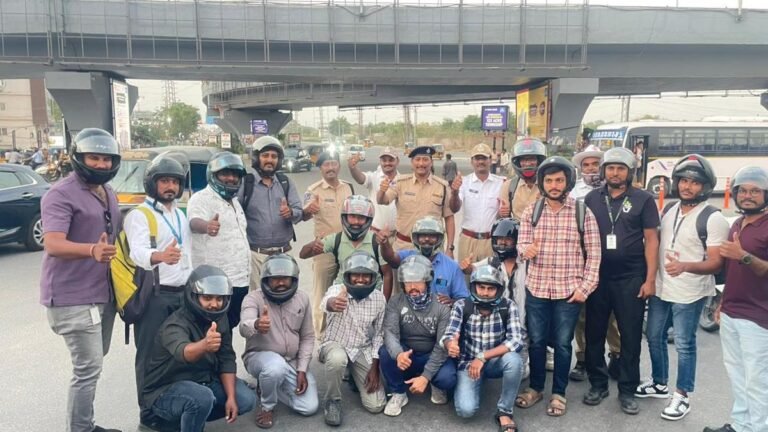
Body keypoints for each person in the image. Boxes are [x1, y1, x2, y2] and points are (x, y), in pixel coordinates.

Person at [40, 128, 122, 432]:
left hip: (101, 293)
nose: (101, 164)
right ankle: (81, 429)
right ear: (79, 158)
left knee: (95, 362)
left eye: (106, 159)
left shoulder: (106, 191)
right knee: (88, 369)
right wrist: (91, 250)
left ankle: (84, 425)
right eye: (94, 158)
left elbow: (119, 224)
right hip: (72, 297)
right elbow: (53, 243)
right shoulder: (60, 194)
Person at [637, 154, 729, 421]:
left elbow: (715, 263)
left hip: (690, 291)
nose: (688, 187)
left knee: (685, 344)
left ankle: (682, 396)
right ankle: (659, 383)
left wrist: (685, 266)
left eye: (695, 183)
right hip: (663, 288)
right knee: (653, 336)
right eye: (684, 181)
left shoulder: (713, 218)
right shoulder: (669, 210)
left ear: (706, 186)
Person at [514, 156, 601, 417]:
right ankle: (537, 387)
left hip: (568, 291)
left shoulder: (582, 212)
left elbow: (594, 255)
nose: (554, 185)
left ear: (568, 182)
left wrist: (584, 289)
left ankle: (559, 393)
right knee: (538, 342)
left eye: (559, 180)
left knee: (563, 344)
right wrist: (525, 250)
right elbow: (521, 245)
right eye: (549, 180)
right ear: (542, 183)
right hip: (537, 288)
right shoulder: (532, 211)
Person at [583, 147, 660, 415]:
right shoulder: (592, 199)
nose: (615, 173)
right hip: (597, 278)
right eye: (610, 168)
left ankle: (627, 390)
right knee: (594, 334)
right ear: (604, 171)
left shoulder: (643, 199)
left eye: (621, 168)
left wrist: (650, 279)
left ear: (630, 172)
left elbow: (652, 240)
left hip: (631, 278)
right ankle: (598, 383)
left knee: (629, 337)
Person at [141, 265, 256, 432]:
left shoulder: (220, 319)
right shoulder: (175, 324)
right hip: (165, 390)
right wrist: (204, 345)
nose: (214, 304)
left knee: (246, 400)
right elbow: (184, 353)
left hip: (203, 382)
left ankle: (190, 414)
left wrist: (231, 398)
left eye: (219, 299)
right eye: (207, 298)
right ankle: (169, 419)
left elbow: (226, 359)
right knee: (201, 398)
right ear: (193, 296)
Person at [123, 154, 193, 427]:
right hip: (154, 295)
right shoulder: (140, 215)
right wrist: (159, 256)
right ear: (152, 183)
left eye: (174, 182)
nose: (170, 187)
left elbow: (188, 252)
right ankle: (148, 413)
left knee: (177, 353)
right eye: (164, 181)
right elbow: (137, 252)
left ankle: (172, 406)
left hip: (182, 294)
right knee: (150, 355)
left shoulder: (179, 212)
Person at [703, 166, 768, 432]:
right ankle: (741, 425)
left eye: (755, 191)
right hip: (731, 312)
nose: (748, 196)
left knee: (757, 380)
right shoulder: (737, 225)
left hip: (759, 317)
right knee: (737, 375)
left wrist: (743, 255)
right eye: (743, 190)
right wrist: (722, 303)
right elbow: (731, 273)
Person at [442, 265, 526, 431]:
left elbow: (516, 341)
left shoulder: (508, 306)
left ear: (498, 290)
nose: (485, 293)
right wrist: (450, 344)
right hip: (468, 362)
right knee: (465, 410)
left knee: (514, 361)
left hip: (494, 360)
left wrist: (482, 357)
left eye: (490, 288)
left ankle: (505, 411)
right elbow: (448, 334)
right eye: (481, 287)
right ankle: (473, 383)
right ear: (474, 287)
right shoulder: (461, 305)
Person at [240, 254, 318, 428]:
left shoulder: (302, 298)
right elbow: (243, 327)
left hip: (291, 361)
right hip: (259, 358)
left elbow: (307, 336)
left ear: (294, 279)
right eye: (275, 279)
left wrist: (302, 369)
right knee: (275, 367)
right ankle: (267, 406)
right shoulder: (253, 298)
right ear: (266, 280)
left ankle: (267, 385)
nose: (281, 283)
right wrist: (257, 324)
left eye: (285, 279)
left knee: (309, 407)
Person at [380, 254, 456, 416]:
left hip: (431, 354)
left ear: (428, 282)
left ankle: (434, 383)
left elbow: (442, 344)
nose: (412, 287)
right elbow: (390, 332)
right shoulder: (396, 301)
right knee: (385, 352)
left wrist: (426, 377)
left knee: (448, 378)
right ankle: (398, 392)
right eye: (408, 282)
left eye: (418, 282)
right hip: (408, 354)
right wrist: (399, 354)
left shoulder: (442, 307)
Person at [569, 145, 621, 382]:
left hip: (611, 261)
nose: (590, 169)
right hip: (581, 259)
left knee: (611, 314)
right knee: (581, 314)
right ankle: (582, 358)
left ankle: (617, 355)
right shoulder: (574, 193)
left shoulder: (616, 189)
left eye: (594, 164)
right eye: (585, 165)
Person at [319, 252, 387, 426]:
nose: (360, 280)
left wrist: (374, 366)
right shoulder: (338, 290)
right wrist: (332, 303)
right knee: (337, 359)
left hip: (360, 348)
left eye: (366, 276)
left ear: (374, 277)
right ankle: (332, 401)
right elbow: (325, 303)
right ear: (347, 276)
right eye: (356, 274)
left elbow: (379, 333)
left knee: (376, 405)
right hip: (335, 345)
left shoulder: (379, 298)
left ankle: (353, 376)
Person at [188, 151, 250, 330]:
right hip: (215, 284)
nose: (231, 178)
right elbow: (194, 222)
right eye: (225, 174)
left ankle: (224, 358)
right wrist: (206, 226)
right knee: (213, 331)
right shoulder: (201, 199)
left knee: (228, 328)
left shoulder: (235, 202)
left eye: (235, 174)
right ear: (213, 175)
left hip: (239, 280)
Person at [460, 218, 528, 375]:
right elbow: (473, 269)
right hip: (503, 317)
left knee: (522, 370)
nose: (503, 244)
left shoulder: (527, 262)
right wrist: (467, 267)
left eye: (508, 240)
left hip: (525, 317)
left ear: (517, 240)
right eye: (499, 240)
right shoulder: (492, 262)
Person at [238, 136, 303, 289]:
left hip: (284, 254)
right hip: (257, 256)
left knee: (287, 299)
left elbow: (299, 211)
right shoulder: (245, 183)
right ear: (256, 158)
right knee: (258, 302)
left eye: (274, 156)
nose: (270, 160)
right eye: (265, 155)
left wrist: (291, 212)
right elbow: (235, 215)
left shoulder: (285, 182)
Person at [302, 151, 355, 335]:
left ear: (339, 166)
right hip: (324, 250)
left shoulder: (349, 188)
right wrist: (309, 210)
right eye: (326, 164)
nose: (331, 167)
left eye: (334, 163)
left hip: (348, 248)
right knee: (321, 294)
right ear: (320, 168)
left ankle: (344, 333)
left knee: (346, 292)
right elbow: (304, 214)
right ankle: (322, 336)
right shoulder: (312, 190)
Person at [299, 195, 390, 297]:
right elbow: (302, 255)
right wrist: (313, 245)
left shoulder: (376, 241)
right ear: (344, 217)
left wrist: (384, 302)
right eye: (352, 216)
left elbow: (387, 274)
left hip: (371, 292)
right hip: (342, 291)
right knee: (328, 306)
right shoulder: (336, 239)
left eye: (361, 218)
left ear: (368, 220)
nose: (356, 221)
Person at [377, 145, 455, 257]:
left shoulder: (442, 186)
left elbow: (449, 218)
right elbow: (382, 201)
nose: (421, 164)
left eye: (425, 159)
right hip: (404, 247)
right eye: (417, 159)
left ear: (431, 163)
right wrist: (382, 191)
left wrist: (450, 248)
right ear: (412, 163)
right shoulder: (400, 183)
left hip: (433, 249)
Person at [379, 216, 469, 304]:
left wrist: (452, 302)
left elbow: (463, 299)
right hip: (410, 313)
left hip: (441, 315)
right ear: (415, 238)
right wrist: (384, 243)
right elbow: (390, 258)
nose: (427, 239)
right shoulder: (407, 257)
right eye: (423, 235)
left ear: (440, 238)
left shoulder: (453, 266)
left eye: (432, 236)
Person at [348, 146, 400, 296]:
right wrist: (352, 168)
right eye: (384, 160)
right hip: (375, 235)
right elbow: (360, 178)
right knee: (374, 274)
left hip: (395, 236)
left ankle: (389, 309)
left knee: (394, 276)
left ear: (397, 161)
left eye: (390, 160)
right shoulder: (374, 177)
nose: (387, 163)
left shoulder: (402, 180)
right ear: (380, 161)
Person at [449, 143, 505, 267]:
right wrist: (454, 192)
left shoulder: (502, 183)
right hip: (468, 240)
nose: (480, 162)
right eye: (477, 158)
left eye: (484, 158)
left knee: (490, 280)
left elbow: (503, 214)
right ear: (472, 161)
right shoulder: (464, 182)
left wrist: (504, 212)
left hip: (490, 241)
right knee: (465, 280)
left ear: (491, 160)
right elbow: (454, 208)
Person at [498, 137, 547, 220]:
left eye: (531, 159)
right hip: (518, 231)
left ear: (538, 161)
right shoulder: (509, 186)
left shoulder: (548, 184)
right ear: (518, 162)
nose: (527, 163)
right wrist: (503, 212)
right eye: (523, 160)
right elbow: (503, 216)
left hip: (542, 230)